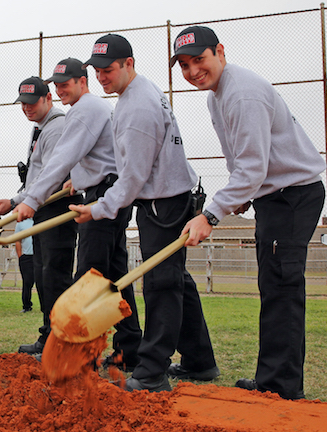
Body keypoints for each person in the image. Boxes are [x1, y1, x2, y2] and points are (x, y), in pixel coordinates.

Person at [173, 26, 325, 400]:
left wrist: (210, 215)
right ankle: (272, 377)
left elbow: (253, 167)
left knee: (283, 288)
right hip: (274, 196)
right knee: (273, 286)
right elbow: (245, 164)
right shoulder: (217, 96)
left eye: (199, 60)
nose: (193, 71)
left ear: (220, 52)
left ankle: (281, 387)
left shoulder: (241, 94)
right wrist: (241, 197)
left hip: (293, 196)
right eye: (185, 65)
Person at [70, 34, 218, 392]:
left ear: (129, 64)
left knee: (162, 283)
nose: (102, 77)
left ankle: (152, 371)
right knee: (177, 280)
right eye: (98, 71)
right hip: (169, 196)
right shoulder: (138, 93)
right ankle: (201, 361)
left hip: (162, 203)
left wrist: (99, 208)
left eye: (109, 70)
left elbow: (132, 178)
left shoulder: (136, 107)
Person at [15, 58, 142, 370]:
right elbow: (96, 155)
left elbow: (61, 158)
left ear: (82, 81)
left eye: (65, 83)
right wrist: (81, 178)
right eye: (56, 84)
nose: (60, 89)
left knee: (89, 276)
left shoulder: (85, 109)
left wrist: (32, 199)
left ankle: (81, 355)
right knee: (114, 275)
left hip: (104, 196)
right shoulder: (91, 108)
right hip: (106, 191)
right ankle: (129, 349)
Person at [0, 76, 82, 356]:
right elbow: (35, 173)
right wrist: (17, 198)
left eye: (32, 102)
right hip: (42, 206)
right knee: (44, 277)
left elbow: (51, 175)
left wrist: (19, 200)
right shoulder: (41, 128)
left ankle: (62, 341)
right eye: (23, 103)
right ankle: (49, 336)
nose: (27, 108)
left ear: (47, 99)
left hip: (56, 205)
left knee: (54, 277)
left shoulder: (55, 128)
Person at [13, 218, 36, 313]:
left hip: (41, 255)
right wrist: (20, 256)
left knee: (44, 281)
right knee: (27, 282)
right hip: (26, 257)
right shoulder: (21, 223)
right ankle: (26, 306)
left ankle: (47, 306)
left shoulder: (41, 219)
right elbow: (17, 240)